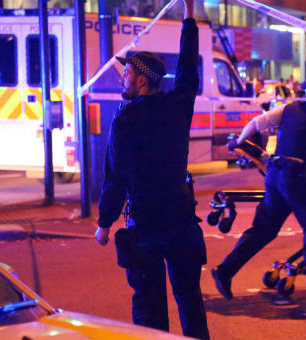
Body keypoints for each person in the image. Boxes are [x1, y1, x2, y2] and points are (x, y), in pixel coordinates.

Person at [94, 1, 209, 339]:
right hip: (182, 222)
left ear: (142, 80)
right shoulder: (179, 106)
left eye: (127, 73)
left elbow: (115, 178)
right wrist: (189, 15)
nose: (123, 78)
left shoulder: (126, 120)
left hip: (145, 225)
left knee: (149, 308)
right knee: (190, 300)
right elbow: (188, 68)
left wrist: (104, 223)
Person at [211, 71, 306, 300]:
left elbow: (256, 122)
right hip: (298, 179)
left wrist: (239, 142)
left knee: (264, 229)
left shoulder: (288, 109)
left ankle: (225, 271)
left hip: (275, 175)